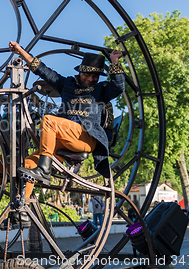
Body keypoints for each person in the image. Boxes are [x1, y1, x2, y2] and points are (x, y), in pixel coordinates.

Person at [7, 41, 125, 184]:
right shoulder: (66, 84)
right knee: (26, 165)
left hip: (85, 138)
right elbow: (42, 70)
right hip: (64, 139)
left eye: (95, 76)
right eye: (87, 75)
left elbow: (119, 86)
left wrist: (114, 61)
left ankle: (44, 170)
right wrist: (20, 51)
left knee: (49, 121)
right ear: (80, 72)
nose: (90, 79)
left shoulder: (101, 90)